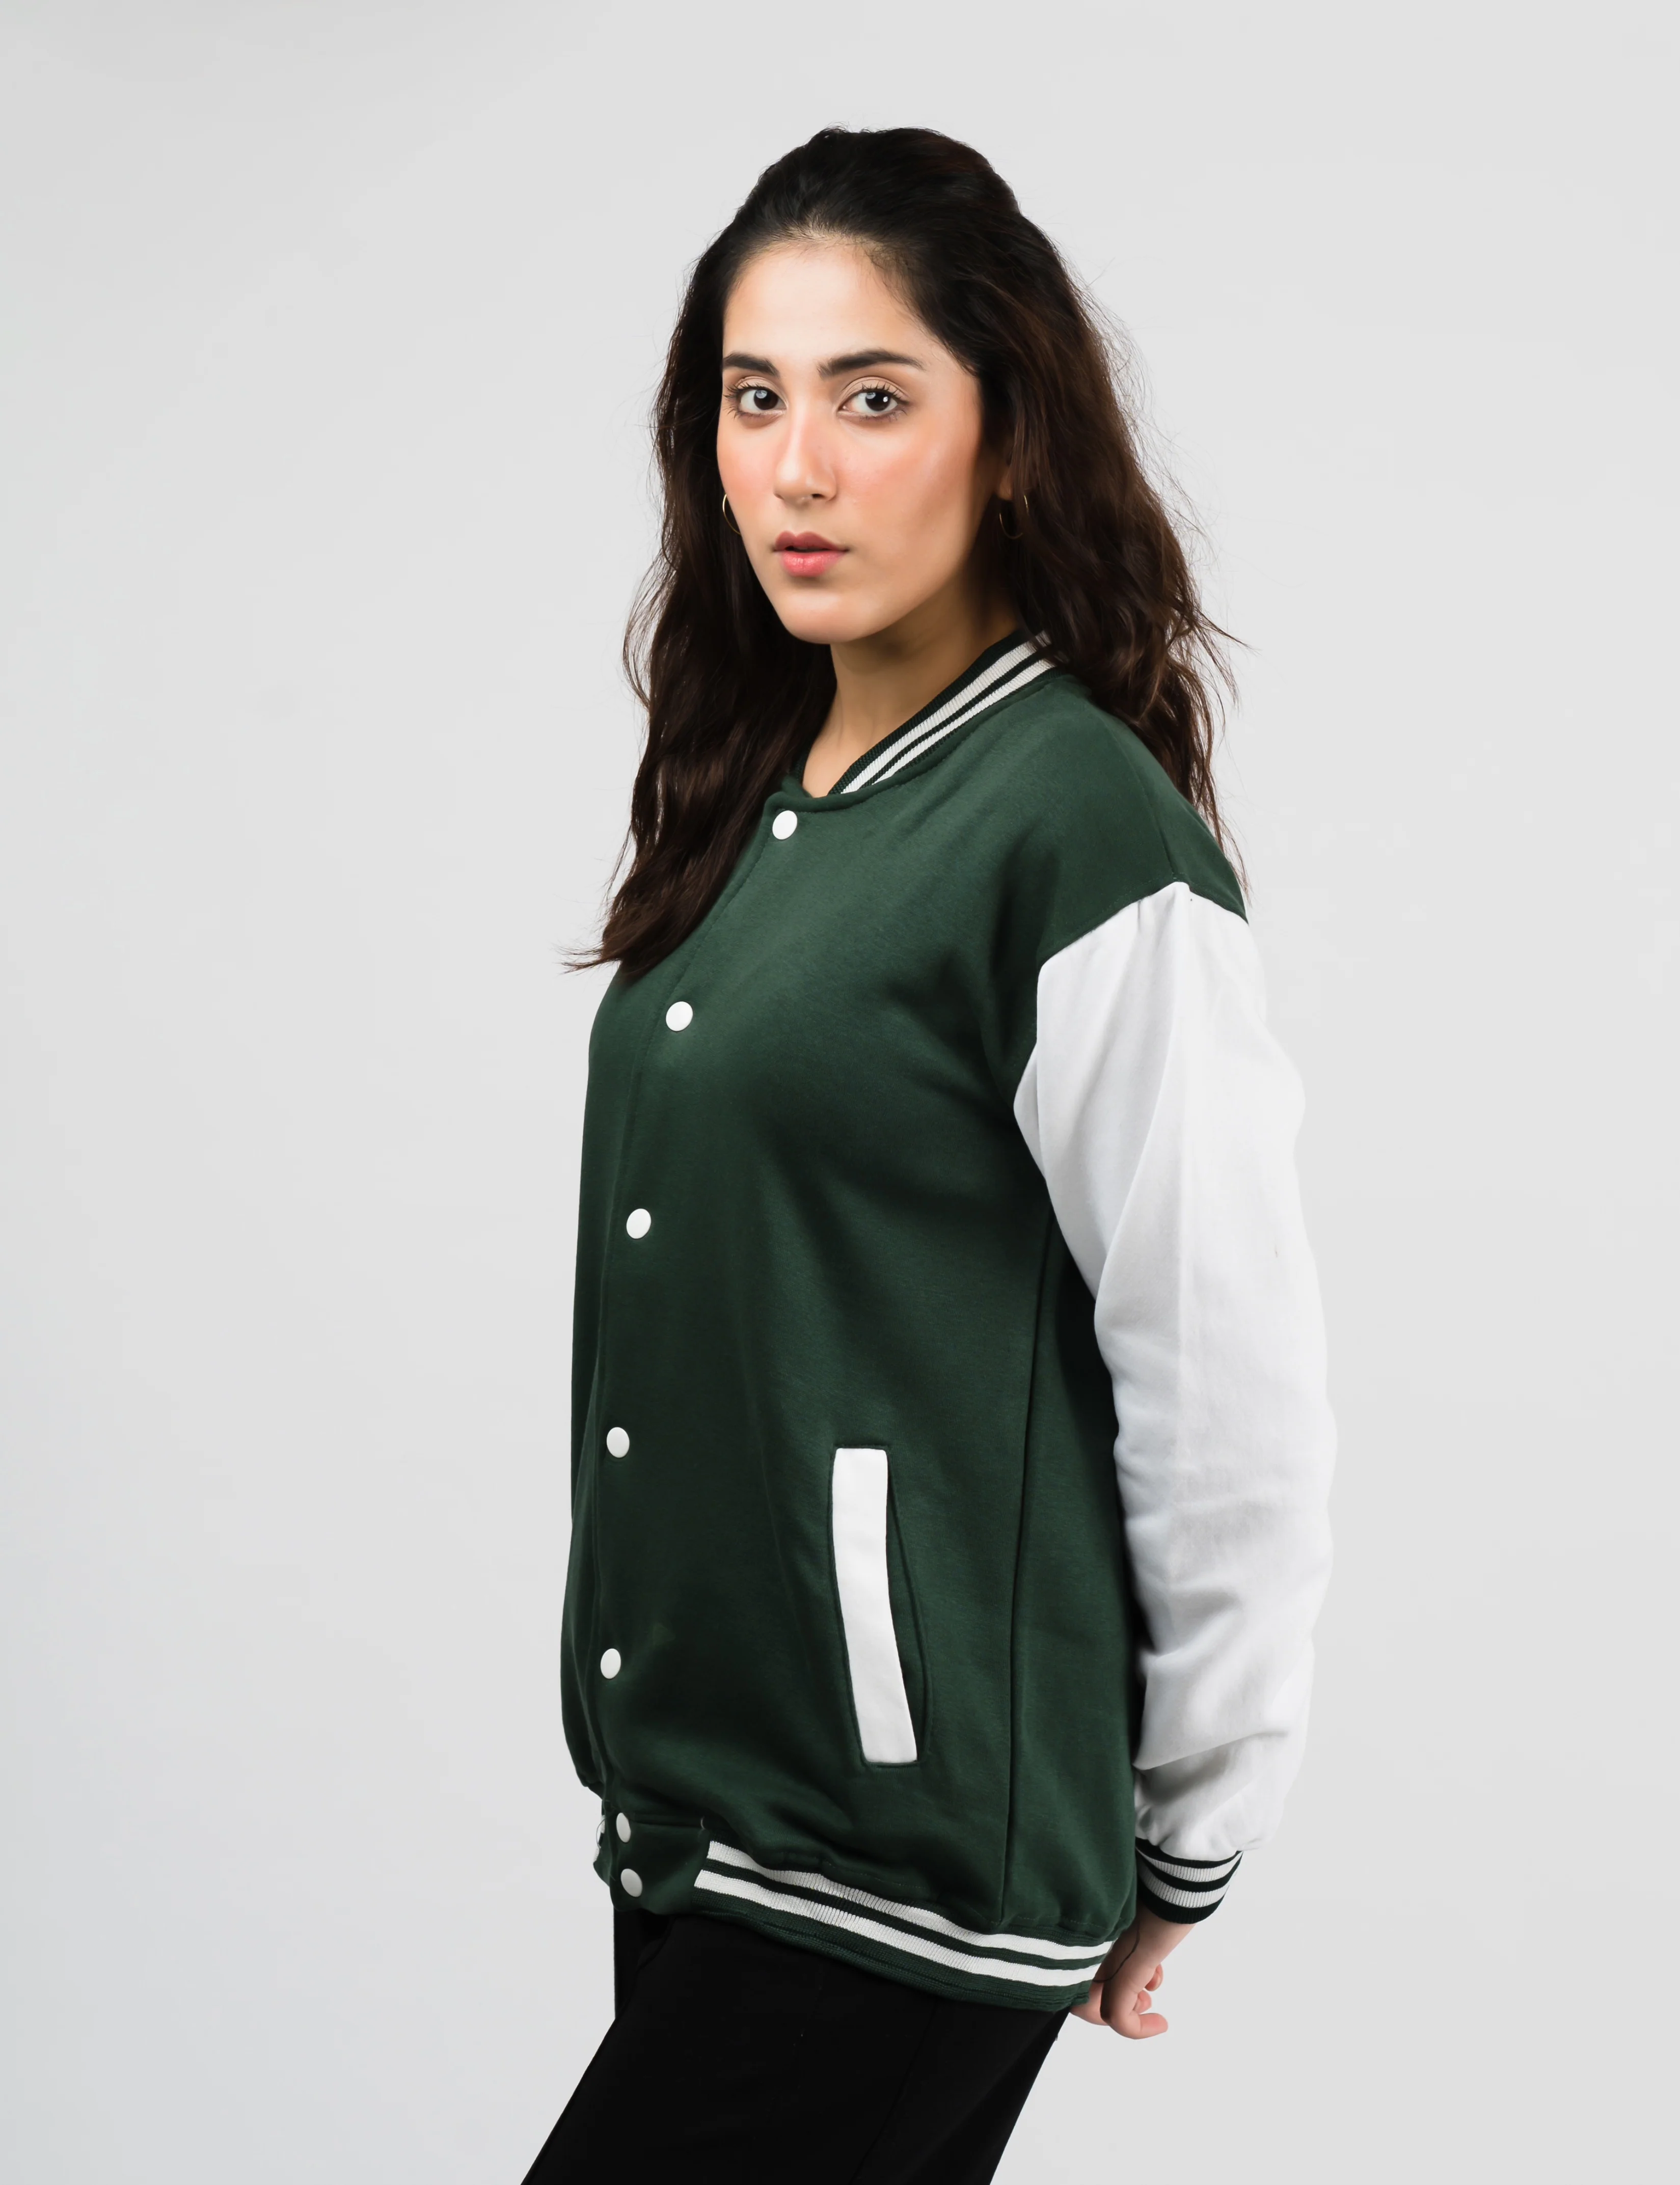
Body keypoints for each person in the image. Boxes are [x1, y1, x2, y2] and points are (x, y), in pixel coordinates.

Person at [523, 126, 1335, 2183]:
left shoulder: (1074, 827)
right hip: (718, 1819)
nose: (797, 467)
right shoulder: (762, 791)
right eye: (754, 397)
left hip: (896, 1843)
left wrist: (1196, 1824)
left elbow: (1224, 1369)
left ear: (1011, 437)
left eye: (872, 398)